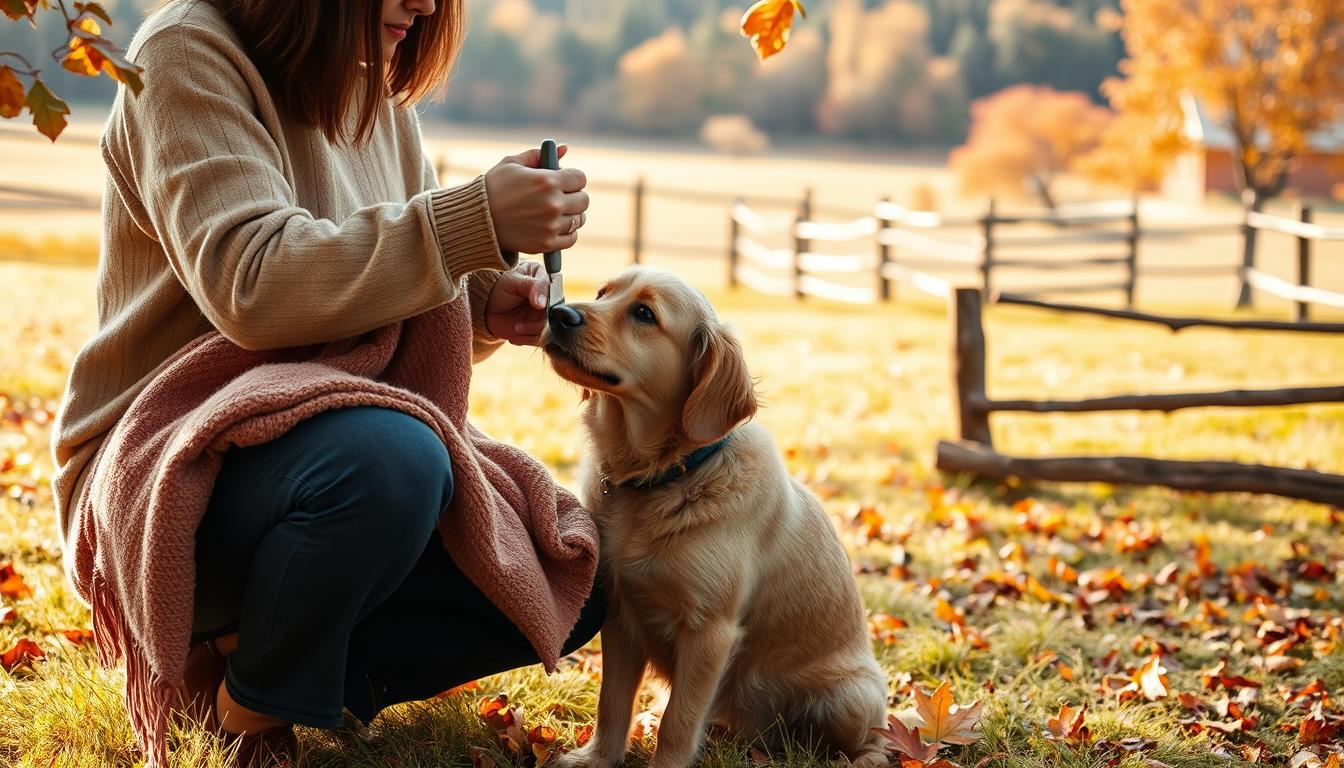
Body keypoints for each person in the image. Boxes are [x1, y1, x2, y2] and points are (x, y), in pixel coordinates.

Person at [48, 0, 603, 764]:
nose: (429, 5)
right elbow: (254, 283)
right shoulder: (184, 53)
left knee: (574, 565)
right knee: (391, 463)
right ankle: (247, 716)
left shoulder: (373, 87)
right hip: (170, 458)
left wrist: (481, 301)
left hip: (319, 438)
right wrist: (472, 221)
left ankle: (248, 666)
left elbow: (375, 285)